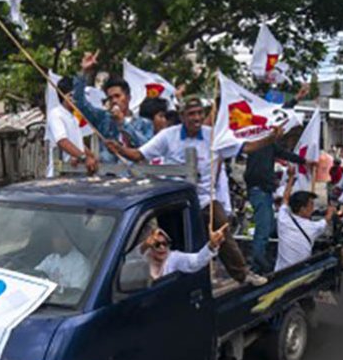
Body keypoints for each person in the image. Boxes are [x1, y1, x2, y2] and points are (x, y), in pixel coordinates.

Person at [106, 96, 281, 286]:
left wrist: (270, 139)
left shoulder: (214, 136)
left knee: (221, 227)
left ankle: (242, 274)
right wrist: (120, 150)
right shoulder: (168, 136)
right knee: (162, 237)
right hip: (172, 200)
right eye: (191, 114)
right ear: (182, 116)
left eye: (199, 113)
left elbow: (246, 147)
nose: (196, 117)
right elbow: (140, 155)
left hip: (204, 198)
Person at [244, 127, 312, 274]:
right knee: (263, 231)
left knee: (267, 228)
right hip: (260, 191)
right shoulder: (257, 144)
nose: (281, 134)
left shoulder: (269, 145)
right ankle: (258, 267)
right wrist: (270, 182)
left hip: (264, 192)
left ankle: (261, 263)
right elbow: (255, 174)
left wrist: (304, 161)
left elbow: (285, 154)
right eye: (279, 131)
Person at [72, 51, 154, 163]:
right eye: (110, 98)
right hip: (107, 176)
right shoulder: (103, 118)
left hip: (135, 177)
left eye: (117, 96)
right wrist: (84, 72)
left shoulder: (144, 123)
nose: (114, 100)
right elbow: (79, 103)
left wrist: (123, 123)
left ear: (128, 97)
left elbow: (147, 149)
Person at [275, 166, 335, 271]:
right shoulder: (313, 227)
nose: (313, 208)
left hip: (280, 272)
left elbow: (285, 198)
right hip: (300, 274)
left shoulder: (283, 218)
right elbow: (326, 220)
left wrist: (291, 178)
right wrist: (331, 211)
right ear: (302, 209)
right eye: (311, 205)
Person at [46, 76, 98, 177]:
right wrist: (83, 157)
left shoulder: (73, 117)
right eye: (73, 95)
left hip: (75, 173)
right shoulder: (56, 114)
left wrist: (91, 155)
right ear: (65, 96)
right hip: (60, 174)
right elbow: (62, 141)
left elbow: (78, 143)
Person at [140, 224, 227, 280]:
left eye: (165, 243)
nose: (162, 247)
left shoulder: (174, 258)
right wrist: (144, 246)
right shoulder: (144, 259)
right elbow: (132, 259)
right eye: (157, 244)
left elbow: (196, 261)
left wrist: (212, 245)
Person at [35, 226, 91, 290]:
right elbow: (36, 274)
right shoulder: (51, 258)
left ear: (71, 239)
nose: (60, 241)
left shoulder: (81, 263)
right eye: (57, 237)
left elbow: (75, 293)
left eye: (64, 237)